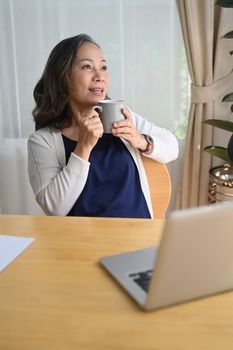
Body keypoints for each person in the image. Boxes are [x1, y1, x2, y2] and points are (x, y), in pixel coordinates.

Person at [28, 33, 179, 218]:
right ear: (63, 77)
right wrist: (83, 147)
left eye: (103, 67)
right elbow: (55, 208)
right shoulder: (43, 140)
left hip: (139, 236)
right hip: (82, 243)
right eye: (87, 67)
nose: (100, 76)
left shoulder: (123, 118)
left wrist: (141, 141)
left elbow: (172, 147)